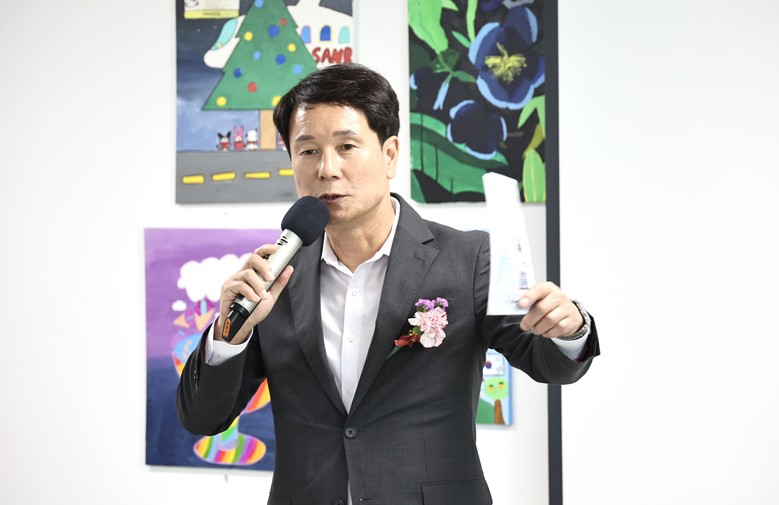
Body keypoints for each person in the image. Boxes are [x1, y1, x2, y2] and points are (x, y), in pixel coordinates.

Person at [177, 63, 600, 505]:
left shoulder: (469, 257)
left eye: (346, 146)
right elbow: (202, 418)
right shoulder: (274, 277)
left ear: (390, 154)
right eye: (308, 151)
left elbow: (549, 363)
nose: (327, 169)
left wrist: (569, 329)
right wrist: (230, 332)